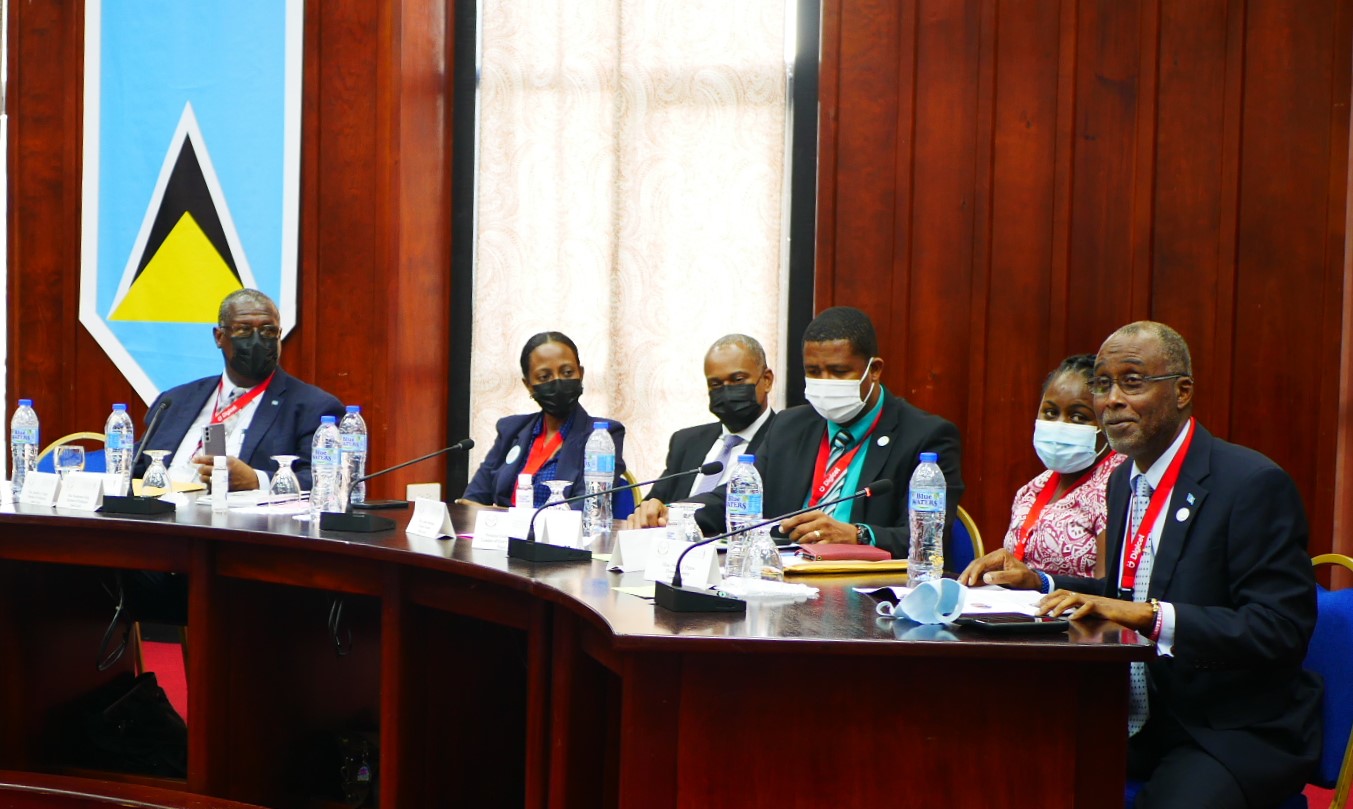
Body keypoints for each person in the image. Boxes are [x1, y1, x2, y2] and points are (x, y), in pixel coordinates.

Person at [960, 322, 1321, 808]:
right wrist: (1041, 581)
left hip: (1228, 728)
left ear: (1182, 392)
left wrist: (1150, 615)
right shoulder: (1124, 480)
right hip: (1138, 713)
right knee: (1007, 767)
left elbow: (1279, 629)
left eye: (1132, 382)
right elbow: (1124, 589)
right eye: (1103, 384)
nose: (1111, 400)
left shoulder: (1251, 484)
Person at [628, 306, 963, 560]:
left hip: (863, 593)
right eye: (813, 372)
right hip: (781, 578)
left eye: (839, 371)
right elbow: (736, 496)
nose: (825, 382)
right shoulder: (791, 425)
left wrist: (857, 534)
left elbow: (930, 539)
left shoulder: (926, 436)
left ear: (873, 371)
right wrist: (676, 512)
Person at [134, 289, 343, 491]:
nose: (257, 341)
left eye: (268, 331)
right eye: (244, 330)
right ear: (219, 336)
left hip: (234, 522)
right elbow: (136, 466)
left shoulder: (313, 407)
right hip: (159, 517)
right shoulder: (175, 400)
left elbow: (327, 482)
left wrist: (257, 481)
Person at [462, 331, 629, 512]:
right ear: (528, 385)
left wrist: (503, 517)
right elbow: (471, 502)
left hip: (558, 538)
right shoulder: (511, 429)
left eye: (567, 372)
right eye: (544, 377)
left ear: (580, 374)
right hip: (502, 538)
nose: (557, 381)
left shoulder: (603, 435)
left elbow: (587, 507)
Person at [1001, 354, 1125, 578]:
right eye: (1050, 413)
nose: (1060, 426)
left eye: (1078, 417)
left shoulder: (1118, 486)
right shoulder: (1033, 488)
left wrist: (1041, 583)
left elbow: (1107, 594)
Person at [642, 334, 777, 510]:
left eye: (737, 380)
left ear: (766, 380)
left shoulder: (782, 442)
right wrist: (646, 511)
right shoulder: (686, 442)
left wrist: (675, 514)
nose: (727, 391)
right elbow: (655, 502)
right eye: (716, 384)